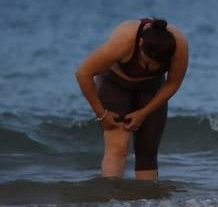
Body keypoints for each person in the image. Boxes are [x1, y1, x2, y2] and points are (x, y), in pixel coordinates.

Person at [75, 17, 189, 179]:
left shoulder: (179, 45)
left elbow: (173, 83)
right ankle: (111, 201)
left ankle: (147, 203)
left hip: (152, 88)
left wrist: (144, 113)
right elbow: (83, 73)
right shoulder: (124, 40)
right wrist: (101, 113)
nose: (151, 68)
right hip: (115, 84)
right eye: (147, 63)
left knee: (148, 152)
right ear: (141, 44)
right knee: (118, 147)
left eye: (158, 66)